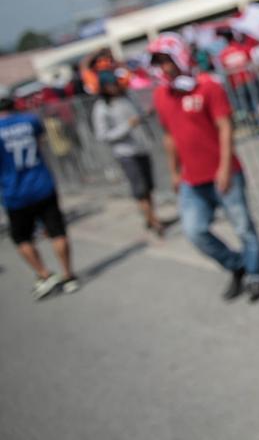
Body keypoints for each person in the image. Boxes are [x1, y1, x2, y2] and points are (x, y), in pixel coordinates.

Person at [148, 33, 259, 302]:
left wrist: (224, 168)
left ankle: (257, 273)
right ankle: (237, 265)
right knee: (194, 231)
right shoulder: (161, 95)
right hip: (192, 180)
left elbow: (225, 127)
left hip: (223, 173)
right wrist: (175, 172)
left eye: (167, 60)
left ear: (180, 56)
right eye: (158, 62)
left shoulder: (207, 86)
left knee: (243, 227)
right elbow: (169, 136)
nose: (164, 67)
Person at [1, 94, 78, 298]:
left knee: (22, 238)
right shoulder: (29, 120)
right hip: (42, 184)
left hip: (14, 191)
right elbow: (40, 139)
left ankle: (45, 274)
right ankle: (68, 275)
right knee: (57, 231)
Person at [91, 70, 164, 235]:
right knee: (140, 188)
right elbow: (102, 135)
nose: (113, 87)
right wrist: (127, 126)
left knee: (148, 186)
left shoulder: (128, 97)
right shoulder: (102, 107)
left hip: (141, 147)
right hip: (125, 152)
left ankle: (150, 216)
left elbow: (139, 114)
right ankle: (153, 219)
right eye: (109, 85)